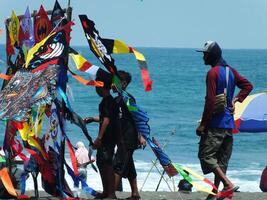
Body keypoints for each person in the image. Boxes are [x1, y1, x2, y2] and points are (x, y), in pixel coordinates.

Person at [196, 41, 253, 200]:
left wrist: (202, 124)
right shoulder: (231, 71)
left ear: (212, 55)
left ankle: (227, 185)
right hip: (229, 123)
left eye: (205, 54)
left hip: (215, 123)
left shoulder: (213, 73)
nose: (203, 57)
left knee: (206, 155)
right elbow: (248, 85)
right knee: (221, 160)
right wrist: (236, 100)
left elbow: (210, 101)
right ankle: (215, 193)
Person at [112, 70, 146, 200]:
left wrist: (141, 135)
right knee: (129, 166)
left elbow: (136, 117)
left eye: (115, 82)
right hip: (122, 137)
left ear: (124, 84)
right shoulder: (117, 100)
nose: (112, 84)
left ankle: (111, 194)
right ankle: (135, 193)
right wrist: (93, 119)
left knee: (118, 164)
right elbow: (111, 118)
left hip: (128, 138)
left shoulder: (128, 99)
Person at [87, 72, 119, 199]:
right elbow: (105, 118)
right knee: (101, 162)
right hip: (110, 136)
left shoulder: (107, 102)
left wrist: (99, 138)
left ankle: (111, 193)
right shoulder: (109, 101)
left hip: (107, 138)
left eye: (96, 87)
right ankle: (107, 191)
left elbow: (106, 120)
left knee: (106, 163)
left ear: (101, 87)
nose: (96, 89)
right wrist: (93, 120)